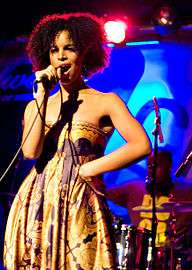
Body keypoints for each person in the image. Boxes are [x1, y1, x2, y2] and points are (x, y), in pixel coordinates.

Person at [3, 12, 151, 269]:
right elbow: (30, 151)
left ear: (84, 53)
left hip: (80, 203)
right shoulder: (36, 106)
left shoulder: (106, 101)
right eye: (54, 50)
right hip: (36, 204)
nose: (60, 56)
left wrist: (91, 168)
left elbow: (141, 145)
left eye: (69, 49)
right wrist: (40, 97)